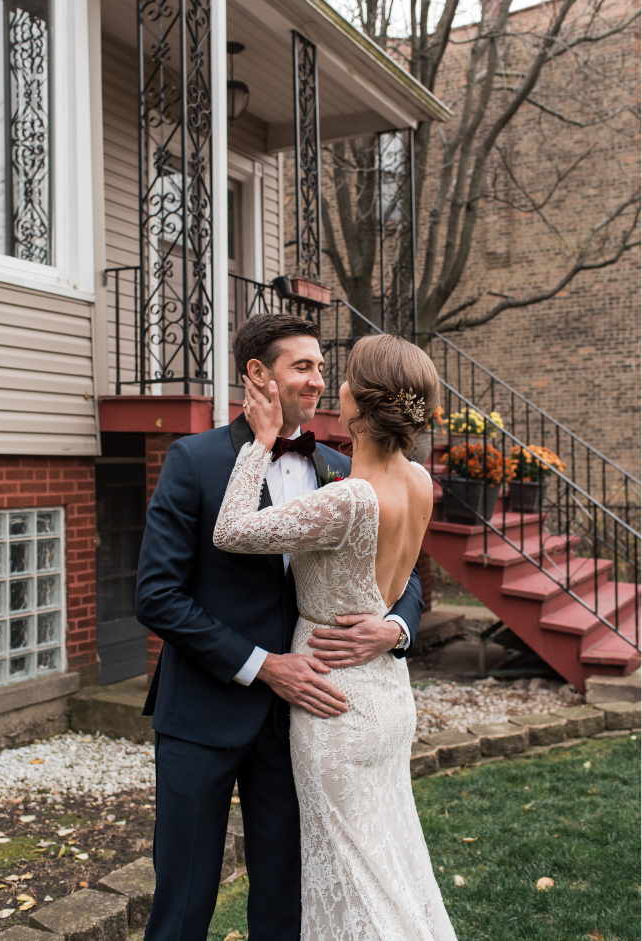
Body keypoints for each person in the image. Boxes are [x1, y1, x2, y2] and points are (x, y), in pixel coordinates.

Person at [135, 314, 424, 940]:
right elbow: (156, 596)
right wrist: (264, 664)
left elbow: (401, 574)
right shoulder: (195, 459)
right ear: (258, 375)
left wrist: (394, 628)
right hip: (203, 715)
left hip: (300, 725)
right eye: (304, 367)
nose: (319, 381)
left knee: (287, 901)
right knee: (183, 902)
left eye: (324, 368)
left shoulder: (340, 469)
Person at [214, 333, 454, 939]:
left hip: (334, 705)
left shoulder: (349, 498)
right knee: (391, 860)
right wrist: (393, 627)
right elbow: (400, 580)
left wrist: (261, 441)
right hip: (387, 695)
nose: (331, 385)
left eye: (341, 376)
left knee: (353, 876)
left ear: (363, 403)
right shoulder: (420, 481)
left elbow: (232, 531)